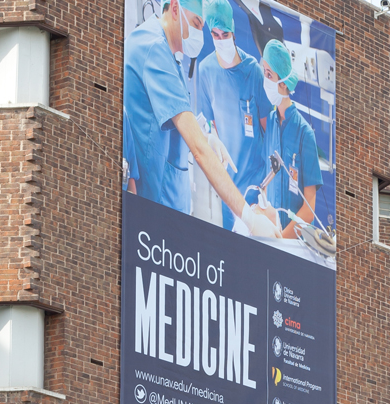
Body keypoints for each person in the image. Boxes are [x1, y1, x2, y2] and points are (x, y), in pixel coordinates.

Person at [123, 0, 276, 235]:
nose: (199, 34)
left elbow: (181, 110)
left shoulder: (169, 54)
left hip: (168, 202)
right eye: (196, 23)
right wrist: (250, 219)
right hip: (154, 205)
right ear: (175, 9)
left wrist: (207, 133)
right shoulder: (153, 49)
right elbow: (199, 149)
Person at [198, 0, 271, 230]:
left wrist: (268, 187)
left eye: (225, 34)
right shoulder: (206, 70)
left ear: (234, 33)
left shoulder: (253, 72)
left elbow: (269, 133)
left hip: (257, 186)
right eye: (215, 35)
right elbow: (209, 126)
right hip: (228, 188)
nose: (220, 40)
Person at [261, 39, 323, 239]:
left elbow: (309, 209)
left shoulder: (304, 133)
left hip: (292, 245)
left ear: (283, 82)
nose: (265, 79)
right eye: (264, 72)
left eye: (269, 74)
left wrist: (281, 240)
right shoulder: (270, 123)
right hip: (270, 236)